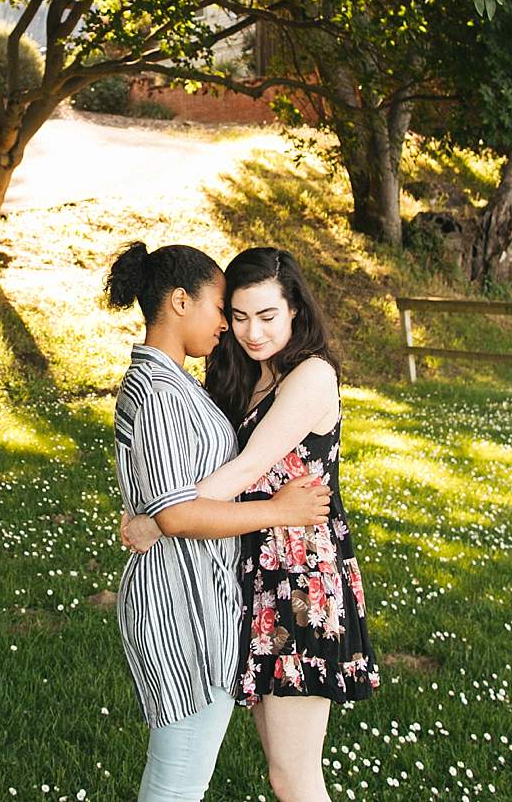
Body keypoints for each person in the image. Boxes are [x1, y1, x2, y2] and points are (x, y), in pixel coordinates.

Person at [123, 246, 379, 802]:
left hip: (299, 581)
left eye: (267, 316)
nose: (252, 332)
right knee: (281, 773)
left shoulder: (311, 375)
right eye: (238, 316)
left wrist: (158, 519)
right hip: (254, 577)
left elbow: (247, 467)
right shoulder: (247, 374)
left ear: (295, 311)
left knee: (294, 775)